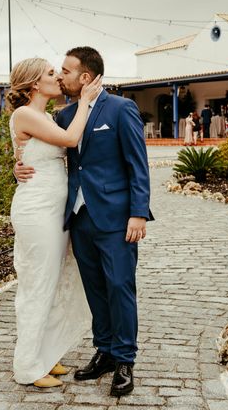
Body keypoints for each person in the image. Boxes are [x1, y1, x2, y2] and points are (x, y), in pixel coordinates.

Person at [15, 46, 153, 397]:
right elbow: (37, 150)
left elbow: (138, 164)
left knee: (120, 287)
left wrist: (138, 212)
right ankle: (104, 350)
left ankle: (124, 360)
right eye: (56, 71)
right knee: (93, 288)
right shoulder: (63, 116)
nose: (60, 76)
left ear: (85, 77)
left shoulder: (121, 109)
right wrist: (16, 167)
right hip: (76, 218)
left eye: (66, 70)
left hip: (116, 217)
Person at [7, 57, 102, 388]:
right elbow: (71, 140)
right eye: (51, 73)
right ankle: (28, 366)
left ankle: (45, 355)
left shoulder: (43, 116)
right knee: (38, 286)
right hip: (37, 211)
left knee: (55, 281)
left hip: (54, 209)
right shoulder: (25, 114)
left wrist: (15, 166)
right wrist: (86, 101)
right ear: (34, 84)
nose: (58, 78)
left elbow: (27, 156)